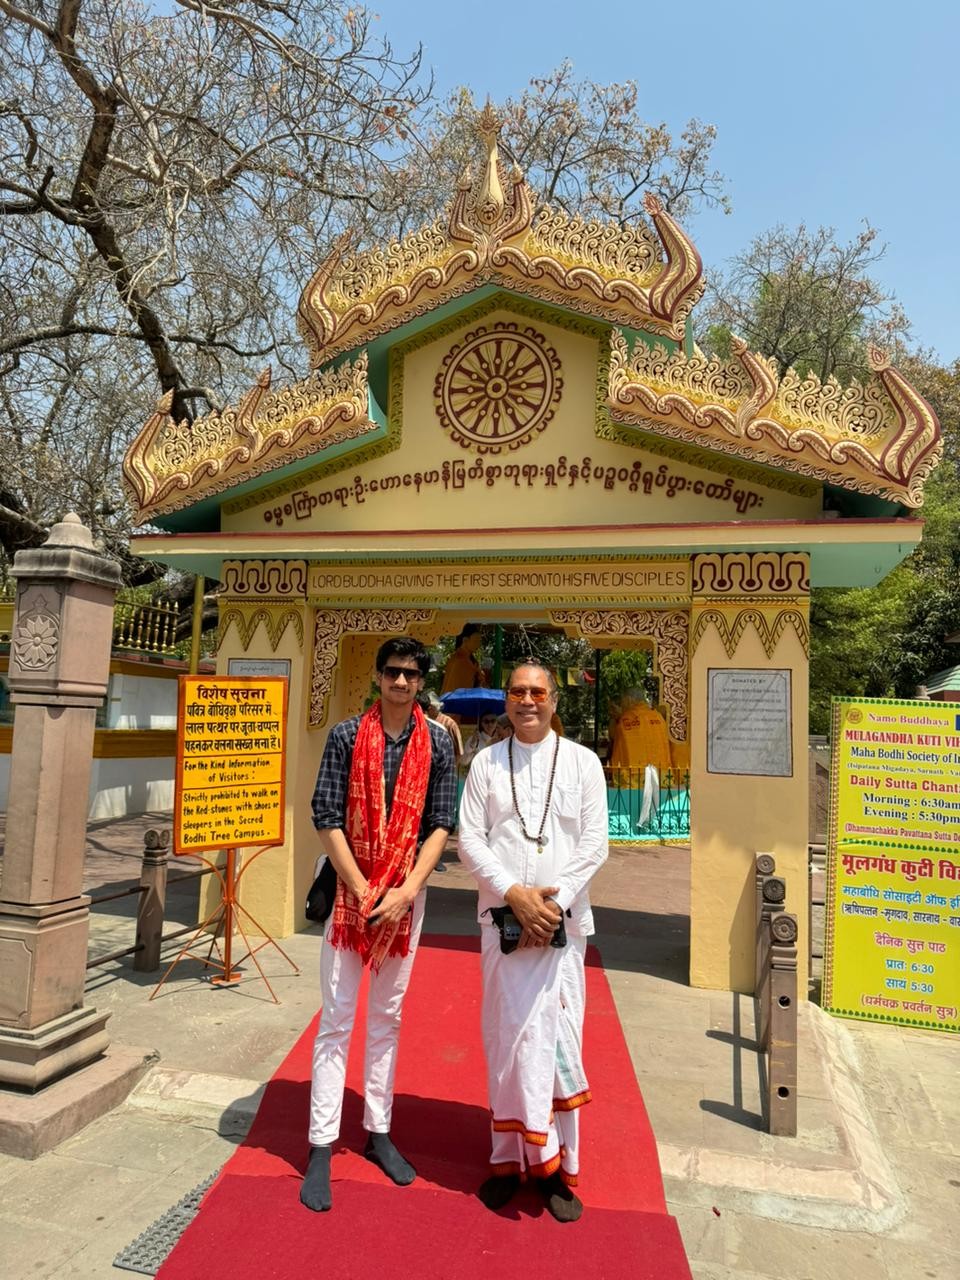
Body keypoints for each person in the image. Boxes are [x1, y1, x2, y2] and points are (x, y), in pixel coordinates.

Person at [301, 637, 456, 1213]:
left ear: (421, 682)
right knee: (337, 1020)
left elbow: (441, 823)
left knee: (386, 1019)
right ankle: (321, 1144)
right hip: (351, 898)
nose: (400, 682)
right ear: (378, 676)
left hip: (404, 903)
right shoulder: (346, 736)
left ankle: (378, 1129)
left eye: (411, 674)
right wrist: (364, 889)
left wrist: (405, 891)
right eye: (392, 672)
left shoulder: (437, 744)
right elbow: (326, 814)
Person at [458, 663, 608, 1222]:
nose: (527, 701)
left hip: (564, 928)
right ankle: (507, 1160)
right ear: (507, 699)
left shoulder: (583, 762)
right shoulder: (486, 765)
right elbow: (471, 839)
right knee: (506, 1042)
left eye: (537, 692)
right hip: (501, 923)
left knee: (558, 1043)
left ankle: (559, 1169)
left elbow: (595, 844)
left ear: (553, 699)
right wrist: (513, 893)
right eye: (517, 692)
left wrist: (552, 901)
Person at [441, 624, 483, 694]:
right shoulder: (459, 661)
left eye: (479, 641)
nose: (478, 645)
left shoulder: (469, 660)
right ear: (465, 640)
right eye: (475, 641)